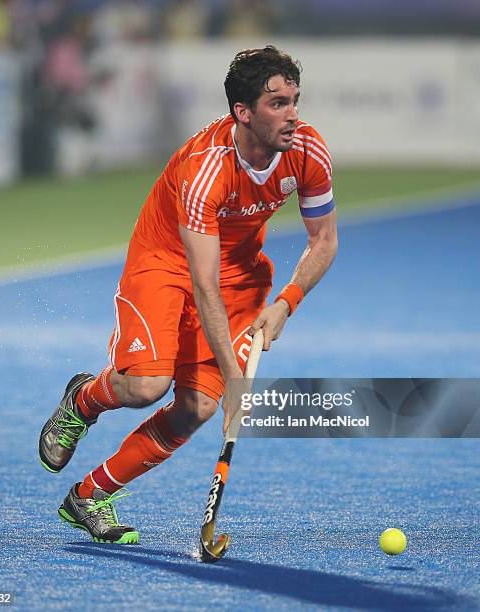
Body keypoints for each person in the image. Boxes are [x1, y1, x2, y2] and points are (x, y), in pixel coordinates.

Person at [39, 45, 338, 544]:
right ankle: (83, 400)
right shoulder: (206, 170)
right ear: (242, 112)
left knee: (197, 407)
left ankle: (89, 496)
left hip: (239, 273)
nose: (293, 115)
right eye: (278, 104)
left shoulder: (308, 152)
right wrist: (236, 381)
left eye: (295, 100)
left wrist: (286, 301)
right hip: (167, 260)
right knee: (146, 387)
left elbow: (324, 241)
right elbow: (202, 286)